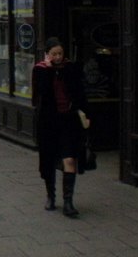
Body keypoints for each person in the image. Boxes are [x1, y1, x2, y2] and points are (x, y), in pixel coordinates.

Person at [31, 37, 88, 217]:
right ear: (47, 54)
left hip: (68, 121)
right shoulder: (40, 70)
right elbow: (41, 93)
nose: (57, 57)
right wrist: (48, 70)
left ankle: (69, 202)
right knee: (48, 160)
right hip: (48, 122)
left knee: (70, 159)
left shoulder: (70, 68)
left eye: (60, 54)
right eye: (54, 54)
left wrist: (86, 113)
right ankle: (51, 197)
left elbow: (80, 92)